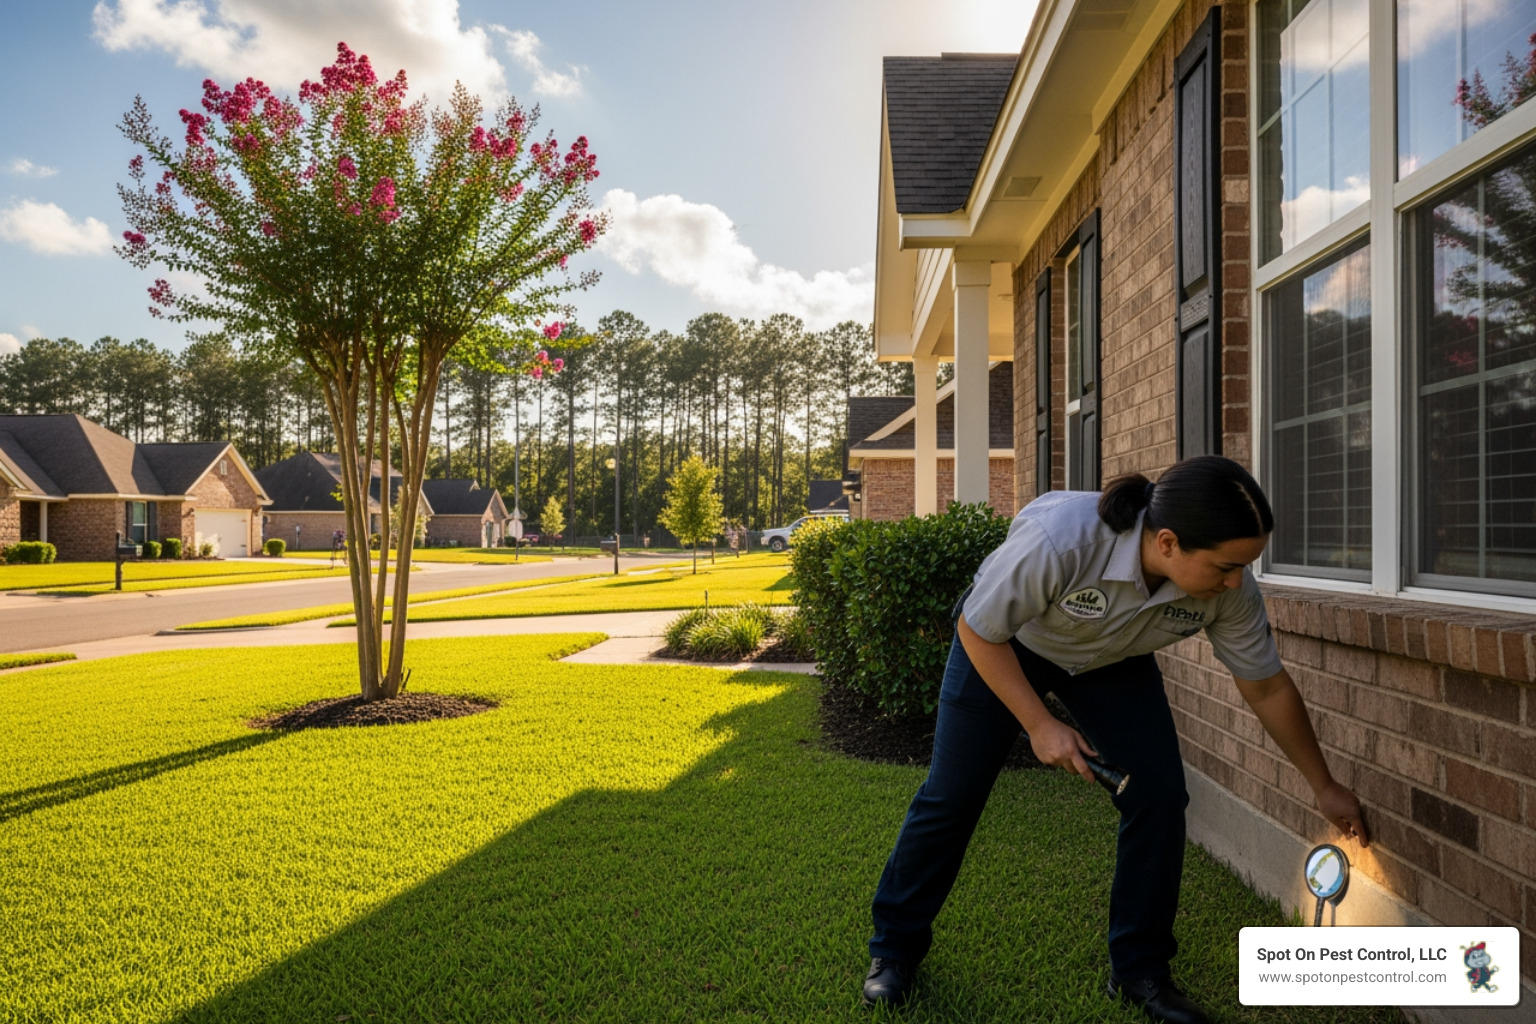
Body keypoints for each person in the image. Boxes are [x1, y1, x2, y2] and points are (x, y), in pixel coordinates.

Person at [862, 456, 1369, 1024]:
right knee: (952, 797)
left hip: (1110, 661)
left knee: (1157, 797)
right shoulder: (1064, 541)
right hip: (1007, 646)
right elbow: (979, 629)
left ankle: (1139, 971)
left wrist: (1322, 785)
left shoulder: (1228, 589)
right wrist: (1040, 725)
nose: (1235, 581)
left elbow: (1268, 687)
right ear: (1170, 543)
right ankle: (895, 950)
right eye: (1226, 566)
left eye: (1243, 566)